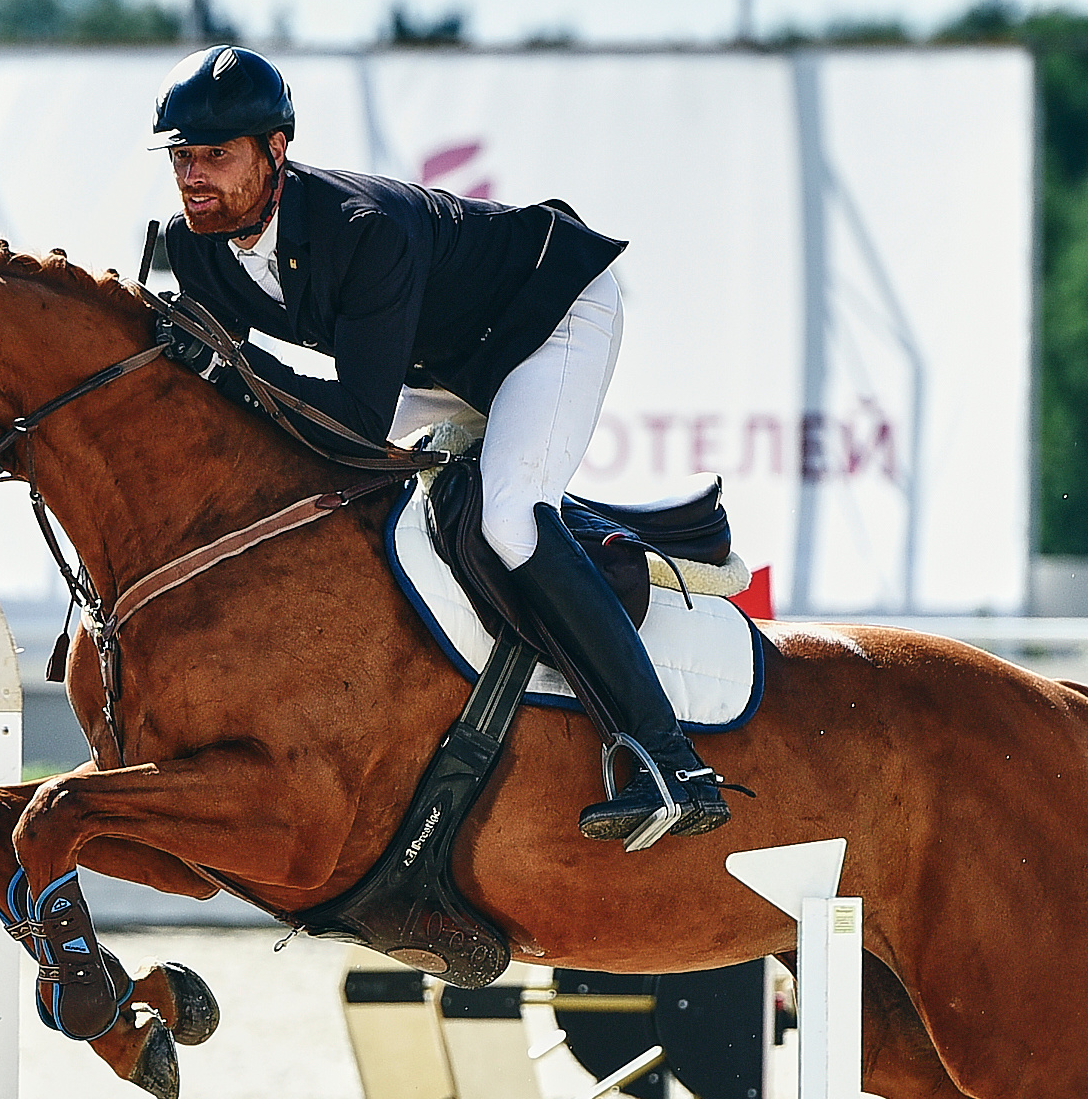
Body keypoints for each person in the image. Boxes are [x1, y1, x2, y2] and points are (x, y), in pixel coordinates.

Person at [147, 45, 729, 848]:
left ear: (276, 150)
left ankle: (671, 761)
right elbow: (238, 409)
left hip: (546, 317)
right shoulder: (194, 245)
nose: (193, 176)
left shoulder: (363, 230)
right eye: (182, 156)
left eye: (216, 155)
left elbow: (353, 414)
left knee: (508, 518)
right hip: (441, 361)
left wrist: (232, 368)